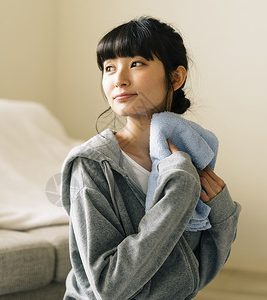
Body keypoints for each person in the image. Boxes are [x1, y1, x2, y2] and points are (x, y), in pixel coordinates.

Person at [60, 16, 241, 300]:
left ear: (176, 77)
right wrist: (178, 190)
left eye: (136, 63)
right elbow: (109, 288)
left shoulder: (191, 154)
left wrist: (222, 212)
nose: (118, 79)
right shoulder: (93, 164)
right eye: (109, 68)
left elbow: (192, 274)